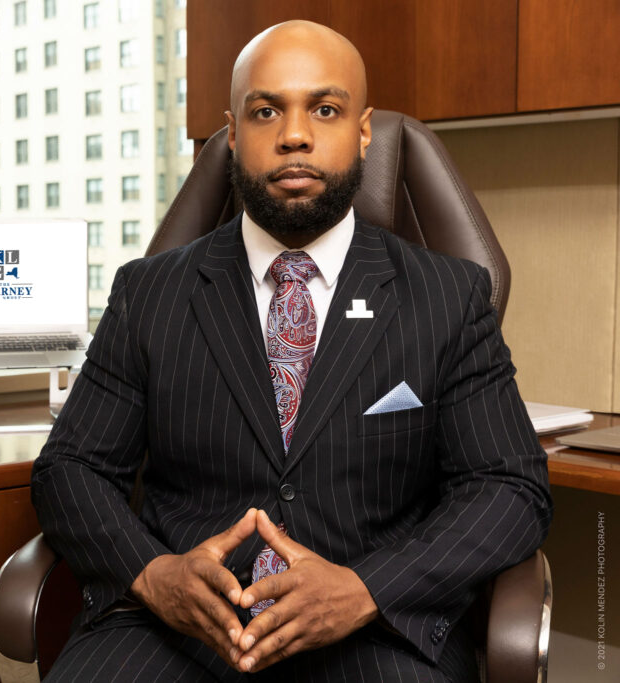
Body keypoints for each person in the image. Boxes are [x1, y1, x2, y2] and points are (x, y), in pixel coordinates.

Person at [31, 20, 551, 682]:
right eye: (266, 109)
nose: (295, 133)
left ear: (362, 131)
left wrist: (365, 588)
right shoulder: (150, 292)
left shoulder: (446, 295)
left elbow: (511, 486)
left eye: (325, 109)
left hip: (373, 630)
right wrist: (155, 573)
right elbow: (69, 468)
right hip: (175, 628)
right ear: (232, 134)